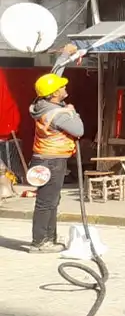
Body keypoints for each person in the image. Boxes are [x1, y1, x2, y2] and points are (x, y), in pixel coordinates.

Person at [28, 71, 84, 254]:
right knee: (46, 202)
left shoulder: (41, 106)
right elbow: (79, 130)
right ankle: (40, 242)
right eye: (61, 87)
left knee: (50, 200)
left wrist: (64, 56)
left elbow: (48, 79)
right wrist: (73, 112)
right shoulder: (57, 113)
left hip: (44, 158)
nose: (64, 87)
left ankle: (49, 238)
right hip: (52, 161)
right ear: (54, 94)